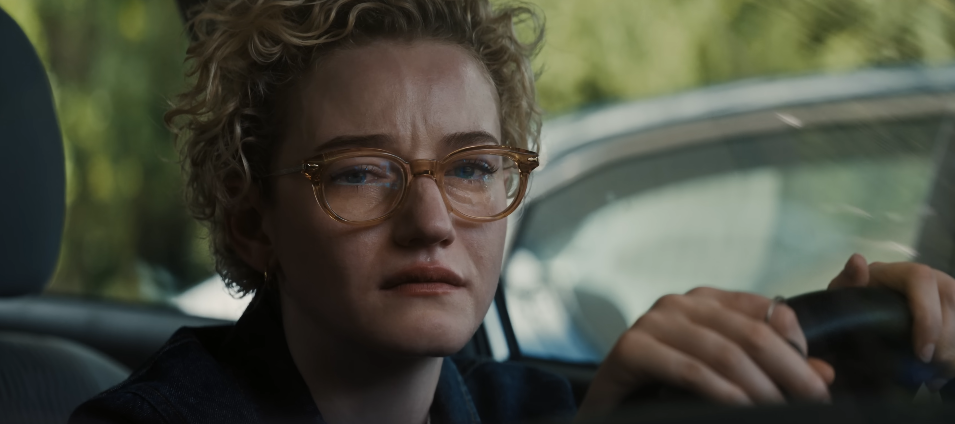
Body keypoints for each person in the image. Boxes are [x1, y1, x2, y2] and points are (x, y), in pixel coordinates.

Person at [70, 0, 955, 423]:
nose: (431, 222)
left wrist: (855, 372)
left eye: (472, 167)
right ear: (252, 222)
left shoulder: (527, 406)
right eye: (363, 174)